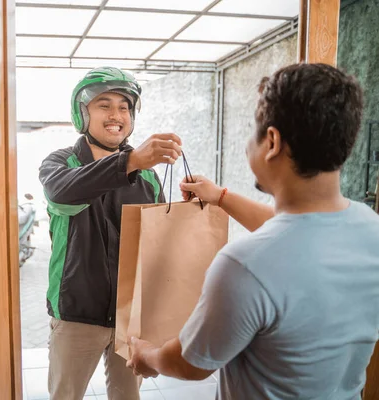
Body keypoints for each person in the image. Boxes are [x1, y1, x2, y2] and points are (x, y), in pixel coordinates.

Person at [127, 63, 379, 399]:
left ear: (272, 141)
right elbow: (296, 235)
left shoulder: (243, 265)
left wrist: (147, 356)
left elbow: (192, 363)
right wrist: (220, 197)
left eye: (252, 130)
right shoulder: (369, 229)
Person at [39, 66, 182, 400]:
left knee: (127, 396)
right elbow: (63, 194)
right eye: (104, 105)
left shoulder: (147, 177)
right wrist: (130, 162)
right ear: (82, 112)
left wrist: (189, 209)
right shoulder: (60, 164)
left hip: (131, 318)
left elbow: (157, 242)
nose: (116, 114)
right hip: (77, 315)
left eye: (124, 106)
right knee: (65, 395)